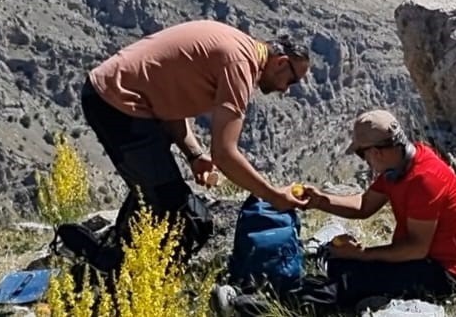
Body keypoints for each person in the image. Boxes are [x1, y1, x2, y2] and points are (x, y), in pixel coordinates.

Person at [63, 19, 311, 270]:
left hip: (116, 98)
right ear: (280, 62)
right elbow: (225, 154)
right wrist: (272, 195)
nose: (286, 90)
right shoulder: (240, 64)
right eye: (291, 81)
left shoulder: (237, 44)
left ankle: (116, 258)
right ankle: (121, 273)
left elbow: (170, 97)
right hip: (116, 105)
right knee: (177, 213)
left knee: (157, 190)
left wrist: (194, 154)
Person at [212, 109, 456, 315]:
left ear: (376, 152)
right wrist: (320, 200)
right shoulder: (400, 165)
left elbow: (416, 249)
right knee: (340, 264)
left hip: (442, 273)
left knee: (347, 284)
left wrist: (363, 254)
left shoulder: (424, 180)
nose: (366, 163)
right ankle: (294, 289)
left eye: (364, 156)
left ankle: (247, 307)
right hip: (421, 259)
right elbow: (365, 206)